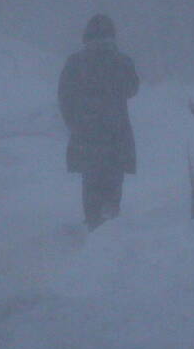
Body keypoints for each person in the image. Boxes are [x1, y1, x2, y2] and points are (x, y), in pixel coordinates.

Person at [58, 14, 139, 229]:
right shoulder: (121, 61)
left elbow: (65, 98)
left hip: (87, 135)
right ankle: (110, 223)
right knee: (113, 181)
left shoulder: (76, 63)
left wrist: (75, 123)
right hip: (116, 134)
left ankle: (93, 223)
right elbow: (132, 89)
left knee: (91, 181)